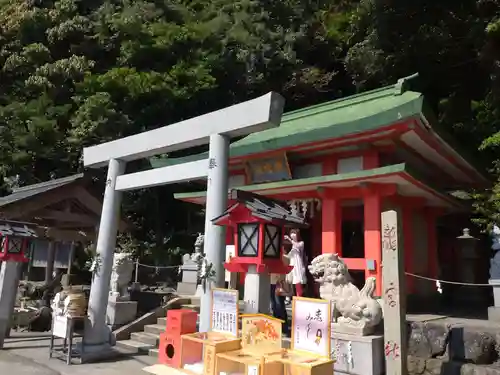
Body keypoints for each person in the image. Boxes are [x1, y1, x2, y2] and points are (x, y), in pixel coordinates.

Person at [270, 255, 290, 336]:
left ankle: (283, 327)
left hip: (278, 283)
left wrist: (280, 280)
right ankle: (278, 326)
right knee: (274, 305)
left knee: (279, 305)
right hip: (270, 282)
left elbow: (285, 268)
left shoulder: (285, 258)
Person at [285, 229, 307, 298]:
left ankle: (299, 296)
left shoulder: (301, 243)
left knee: (298, 281)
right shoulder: (293, 245)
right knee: (294, 281)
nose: (292, 235)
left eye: (294, 233)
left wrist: (289, 239)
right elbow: (290, 255)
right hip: (293, 263)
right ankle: (296, 296)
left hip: (299, 264)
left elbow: (297, 246)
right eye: (291, 233)